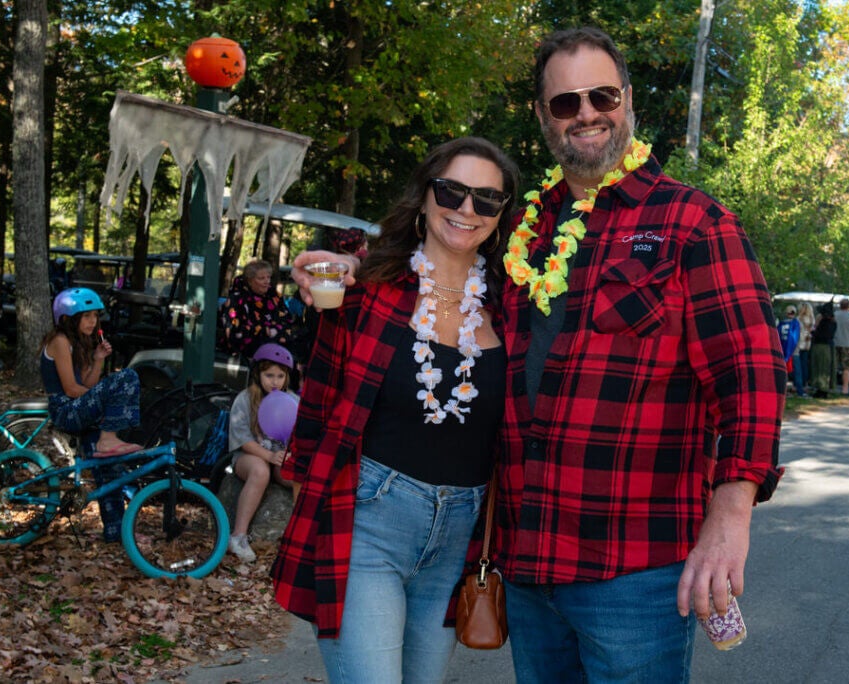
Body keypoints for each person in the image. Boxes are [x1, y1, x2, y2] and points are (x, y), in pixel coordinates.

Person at [290, 27, 785, 683]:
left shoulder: (693, 223)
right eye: (564, 102)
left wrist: (729, 520)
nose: (585, 113)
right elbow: (438, 277)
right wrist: (346, 273)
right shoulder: (526, 229)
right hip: (526, 565)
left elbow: (751, 377)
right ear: (542, 116)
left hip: (632, 569)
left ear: (627, 100)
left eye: (601, 95)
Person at [271, 136, 520, 682]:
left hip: (461, 536)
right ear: (426, 195)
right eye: (452, 190)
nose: (466, 208)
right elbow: (316, 408)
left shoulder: (514, 306)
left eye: (487, 199)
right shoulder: (368, 291)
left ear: (502, 216)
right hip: (369, 524)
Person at [40, 287, 143, 542]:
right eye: (86, 316)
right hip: (66, 409)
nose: (92, 321)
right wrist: (102, 398)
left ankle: (115, 531)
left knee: (108, 468)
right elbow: (72, 389)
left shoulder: (80, 343)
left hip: (79, 408)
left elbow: (87, 381)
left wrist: (97, 359)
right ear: (67, 319)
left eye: (95, 316)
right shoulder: (60, 341)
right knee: (128, 377)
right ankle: (109, 438)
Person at [226, 343, 296, 562]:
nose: (275, 382)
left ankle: (299, 534)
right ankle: (238, 536)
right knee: (260, 471)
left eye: (280, 376)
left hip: (279, 459)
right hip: (250, 457)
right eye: (269, 375)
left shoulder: (293, 402)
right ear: (257, 374)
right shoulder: (245, 399)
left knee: (296, 474)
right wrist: (268, 457)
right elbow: (244, 441)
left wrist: (289, 454)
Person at [218, 259, 308, 362]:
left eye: (268, 277)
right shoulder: (236, 299)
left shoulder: (273, 295)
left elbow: (286, 320)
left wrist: (275, 331)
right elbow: (234, 331)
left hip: (277, 344)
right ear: (250, 280)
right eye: (261, 278)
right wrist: (266, 331)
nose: (267, 282)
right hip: (248, 350)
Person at [810, 302, 837, 398]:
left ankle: (822, 389)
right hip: (826, 346)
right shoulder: (832, 323)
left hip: (822, 346)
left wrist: (814, 329)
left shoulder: (825, 323)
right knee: (822, 368)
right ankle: (821, 388)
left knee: (821, 368)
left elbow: (818, 334)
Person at [778, 304, 805, 397]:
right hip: (794, 351)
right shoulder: (796, 323)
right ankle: (799, 391)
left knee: (784, 372)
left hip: (782, 351)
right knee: (797, 371)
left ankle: (783, 390)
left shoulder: (781, 324)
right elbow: (795, 337)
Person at [796, 301, 815, 391]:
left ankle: (799, 382)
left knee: (798, 364)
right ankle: (805, 382)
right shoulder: (812, 319)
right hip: (808, 343)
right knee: (805, 363)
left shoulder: (798, 319)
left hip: (800, 342)